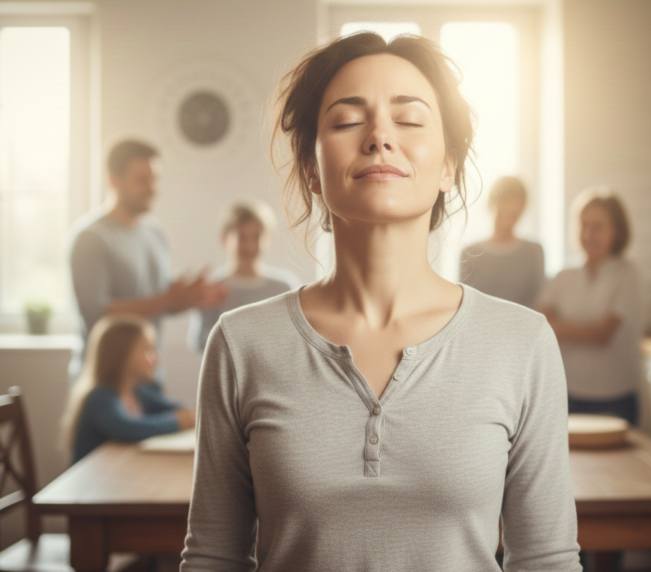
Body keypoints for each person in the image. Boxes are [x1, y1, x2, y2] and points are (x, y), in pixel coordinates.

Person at [181, 33, 580, 572]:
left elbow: (546, 561)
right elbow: (212, 559)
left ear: (449, 169)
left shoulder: (522, 342)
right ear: (310, 170)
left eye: (409, 119)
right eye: (347, 121)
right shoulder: (241, 342)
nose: (379, 138)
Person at [68, 140, 227, 349]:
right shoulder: (90, 238)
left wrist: (189, 297)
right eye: (142, 180)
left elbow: (159, 303)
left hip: (150, 372)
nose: (152, 189)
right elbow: (97, 316)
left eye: (155, 180)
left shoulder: (155, 231)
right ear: (113, 180)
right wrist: (169, 299)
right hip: (103, 378)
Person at [537, 187, 643, 425]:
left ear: (616, 231)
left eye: (597, 227)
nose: (588, 234)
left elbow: (602, 335)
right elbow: (540, 327)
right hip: (567, 394)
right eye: (583, 225)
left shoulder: (628, 274)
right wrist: (578, 330)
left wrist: (558, 326)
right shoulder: (563, 275)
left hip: (615, 399)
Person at [62, 314, 196, 464]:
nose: (156, 358)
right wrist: (177, 422)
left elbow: (174, 408)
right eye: (148, 350)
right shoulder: (99, 397)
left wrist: (193, 414)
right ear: (122, 355)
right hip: (93, 479)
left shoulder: (139, 392)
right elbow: (127, 429)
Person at [188, 201, 301, 352]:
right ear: (224, 239)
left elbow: (296, 337)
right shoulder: (212, 287)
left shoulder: (285, 287)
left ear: (269, 240)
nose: (249, 245)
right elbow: (200, 341)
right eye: (242, 237)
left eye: (257, 237)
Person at [460, 176, 545, 307]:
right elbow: (465, 304)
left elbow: (539, 302)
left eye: (513, 214)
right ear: (490, 205)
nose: (507, 222)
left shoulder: (534, 251)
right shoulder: (470, 253)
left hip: (522, 326)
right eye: (502, 214)